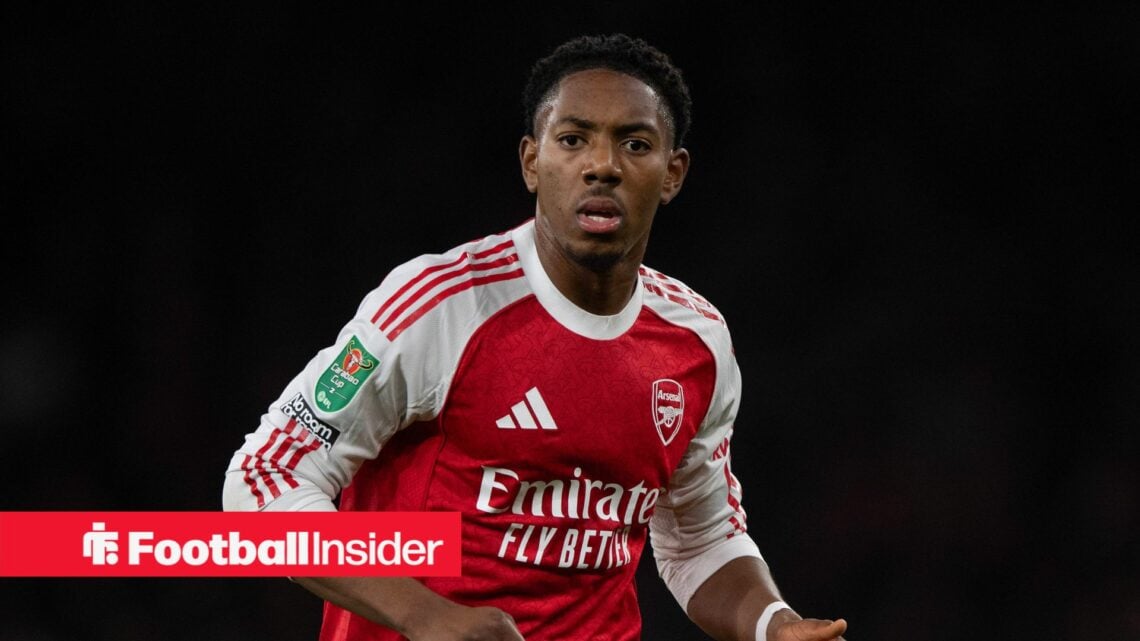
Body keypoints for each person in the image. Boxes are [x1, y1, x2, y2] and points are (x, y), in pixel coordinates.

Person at [222, 33, 847, 641]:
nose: (602, 166)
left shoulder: (696, 340)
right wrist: (422, 613)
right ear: (532, 161)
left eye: (634, 143)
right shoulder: (443, 306)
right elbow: (260, 480)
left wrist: (774, 625)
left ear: (672, 173)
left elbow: (700, 539)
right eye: (573, 140)